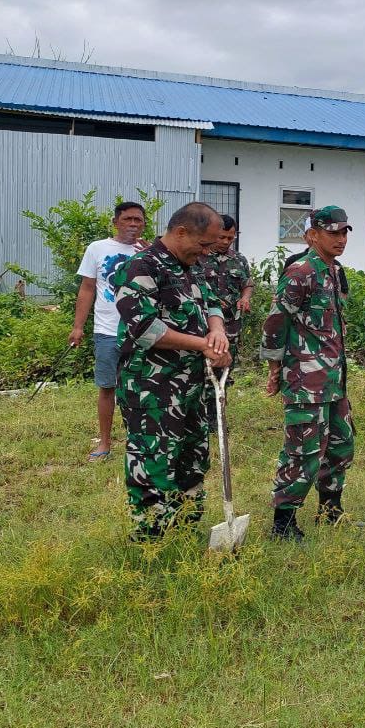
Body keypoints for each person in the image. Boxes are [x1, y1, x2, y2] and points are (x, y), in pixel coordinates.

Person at [113, 202, 229, 541]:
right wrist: (201, 344)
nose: (208, 252)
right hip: (153, 390)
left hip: (193, 387)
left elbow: (211, 303)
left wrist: (217, 331)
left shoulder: (190, 266)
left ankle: (186, 531)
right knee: (154, 463)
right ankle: (149, 541)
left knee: (192, 459)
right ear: (180, 232)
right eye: (205, 244)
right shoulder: (140, 267)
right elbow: (145, 328)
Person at [262, 205, 355, 540]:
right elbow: (276, 320)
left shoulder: (334, 270)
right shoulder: (301, 271)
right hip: (305, 381)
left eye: (344, 232)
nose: (341, 239)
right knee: (302, 451)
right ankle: (283, 523)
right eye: (333, 232)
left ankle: (331, 512)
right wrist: (274, 368)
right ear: (312, 235)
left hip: (334, 380)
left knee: (341, 446)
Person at [69, 201, 148, 460]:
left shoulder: (150, 251)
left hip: (142, 331)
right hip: (107, 331)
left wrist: (153, 255)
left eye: (138, 220)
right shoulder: (98, 248)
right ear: (115, 222)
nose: (133, 224)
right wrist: (78, 327)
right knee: (107, 387)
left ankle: (139, 441)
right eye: (127, 219)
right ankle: (104, 443)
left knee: (142, 386)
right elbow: (87, 288)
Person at [195, 214, 254, 383]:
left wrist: (245, 298)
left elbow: (247, 283)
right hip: (205, 324)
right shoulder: (198, 257)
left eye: (230, 238)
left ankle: (220, 404)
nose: (226, 242)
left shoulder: (239, 259)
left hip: (231, 324)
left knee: (225, 371)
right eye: (221, 237)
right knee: (202, 372)